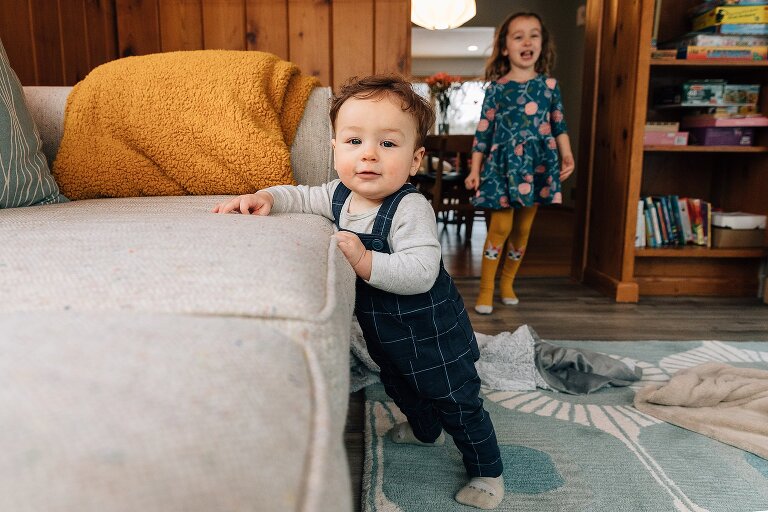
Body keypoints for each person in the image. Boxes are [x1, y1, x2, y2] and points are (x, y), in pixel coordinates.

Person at [212, 75, 505, 509]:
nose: (368, 154)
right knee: (400, 387)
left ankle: (487, 469)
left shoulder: (411, 207)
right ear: (334, 149)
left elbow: (422, 272)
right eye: (353, 141)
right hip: (385, 335)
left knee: (456, 401)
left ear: (415, 159)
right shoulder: (339, 194)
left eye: (388, 144)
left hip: (434, 335)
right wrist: (268, 198)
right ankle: (425, 432)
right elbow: (303, 196)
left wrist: (365, 262)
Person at [465, 12, 575, 314]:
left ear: (542, 44)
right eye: (518, 36)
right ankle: (486, 288)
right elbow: (483, 132)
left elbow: (558, 124)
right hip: (502, 167)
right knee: (500, 226)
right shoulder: (496, 89)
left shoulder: (550, 86)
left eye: (534, 34)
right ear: (505, 48)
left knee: (523, 230)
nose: (527, 41)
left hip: (537, 164)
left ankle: (507, 283)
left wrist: (567, 154)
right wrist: (475, 170)